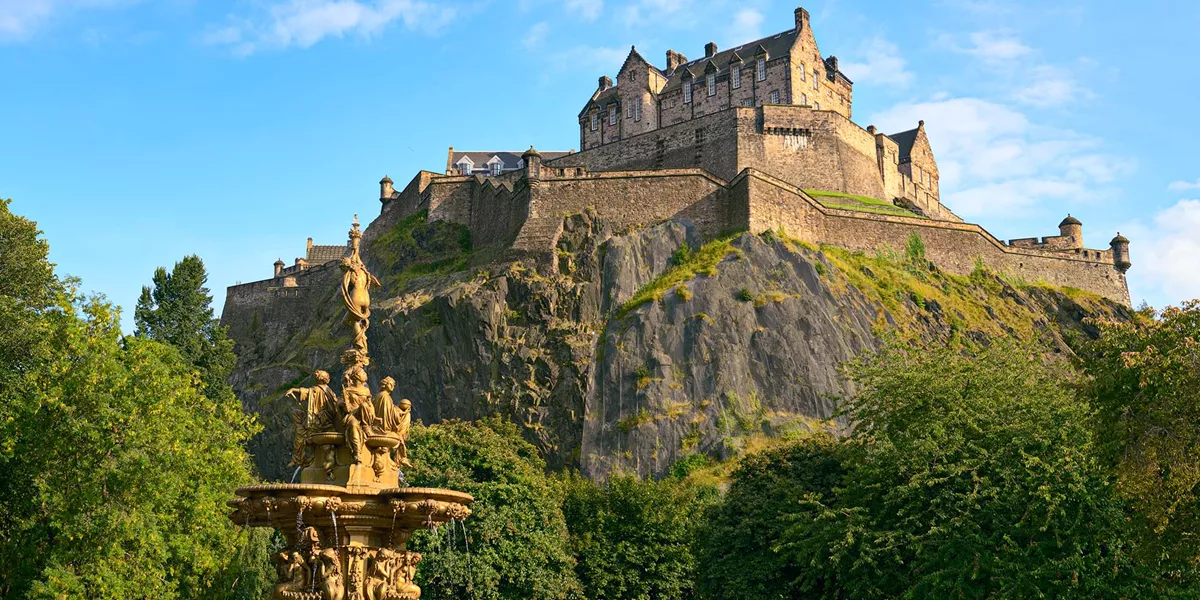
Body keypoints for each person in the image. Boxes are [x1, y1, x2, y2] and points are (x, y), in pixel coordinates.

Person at [285, 370, 335, 466]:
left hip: (319, 420)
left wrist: (293, 389)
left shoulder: (319, 389)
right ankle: (303, 429)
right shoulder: (328, 390)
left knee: (300, 435)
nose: (315, 376)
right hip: (319, 417)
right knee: (296, 413)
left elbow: (307, 392)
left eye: (317, 375)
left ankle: (297, 459)